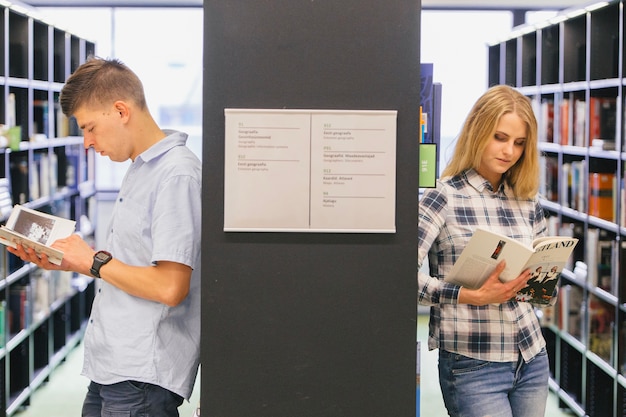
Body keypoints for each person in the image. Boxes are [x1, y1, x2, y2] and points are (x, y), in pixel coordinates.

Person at [8, 57, 201, 417]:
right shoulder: (141, 168)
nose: (87, 143)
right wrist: (72, 263)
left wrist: (93, 261)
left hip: (141, 374)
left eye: (90, 128)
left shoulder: (176, 175)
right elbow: (133, 266)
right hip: (113, 367)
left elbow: (170, 287)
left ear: (121, 110)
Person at [418, 84, 553, 417]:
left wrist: (541, 281)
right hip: (472, 363)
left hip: (531, 356)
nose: (509, 151)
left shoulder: (527, 200)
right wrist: (468, 295)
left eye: (519, 143)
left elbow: (542, 289)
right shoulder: (442, 197)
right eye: (500, 137)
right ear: (477, 131)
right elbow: (396, 279)